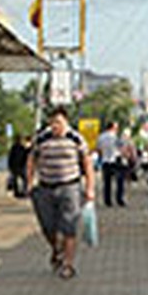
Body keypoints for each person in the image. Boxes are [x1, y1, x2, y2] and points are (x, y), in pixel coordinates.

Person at [27, 106, 95, 280]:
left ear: (66, 121)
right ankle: (57, 249)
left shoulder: (76, 138)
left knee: (69, 226)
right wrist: (29, 181)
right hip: (45, 187)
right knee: (47, 226)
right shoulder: (42, 138)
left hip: (70, 187)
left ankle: (68, 264)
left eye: (58, 122)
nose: (55, 126)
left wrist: (90, 188)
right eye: (53, 122)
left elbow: (87, 163)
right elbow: (31, 159)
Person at [95, 121, 125, 208]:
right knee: (120, 181)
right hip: (116, 159)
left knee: (107, 182)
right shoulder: (116, 137)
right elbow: (121, 147)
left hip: (105, 161)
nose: (117, 129)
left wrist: (102, 156)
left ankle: (107, 200)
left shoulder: (100, 137)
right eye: (116, 127)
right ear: (112, 127)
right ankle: (119, 199)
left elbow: (98, 149)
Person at [7, 133, 30, 198]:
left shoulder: (14, 148)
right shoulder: (21, 147)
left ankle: (18, 192)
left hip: (17, 166)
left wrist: (10, 166)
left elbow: (10, 157)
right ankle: (23, 191)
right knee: (23, 179)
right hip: (20, 165)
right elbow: (26, 155)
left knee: (18, 179)